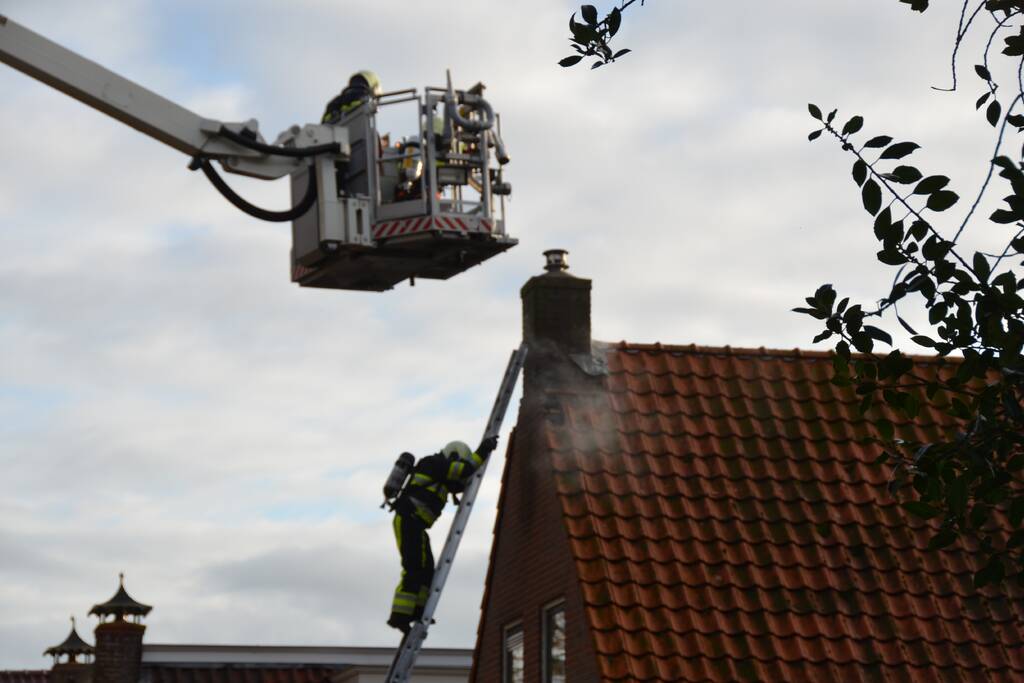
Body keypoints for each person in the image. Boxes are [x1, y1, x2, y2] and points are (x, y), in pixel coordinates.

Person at [387, 436, 499, 635]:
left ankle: (418, 611)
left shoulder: (440, 474)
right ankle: (399, 616)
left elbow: (459, 481)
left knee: (427, 568)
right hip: (408, 519)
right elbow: (463, 470)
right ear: (453, 456)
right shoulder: (434, 463)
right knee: (414, 567)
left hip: (415, 524)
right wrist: (483, 450)